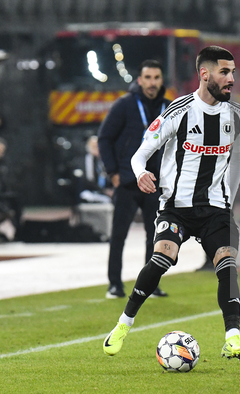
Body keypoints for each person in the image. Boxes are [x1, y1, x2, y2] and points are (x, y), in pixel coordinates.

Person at [103, 46, 240, 360]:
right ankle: (123, 325)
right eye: (225, 72)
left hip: (215, 208)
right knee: (162, 259)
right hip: (176, 207)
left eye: (233, 73)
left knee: (227, 263)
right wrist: (141, 172)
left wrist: (229, 204)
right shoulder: (177, 111)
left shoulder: (237, 118)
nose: (231, 79)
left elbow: (237, 163)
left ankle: (233, 337)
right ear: (204, 74)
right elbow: (139, 154)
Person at [98, 60, 170, 299]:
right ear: (139, 80)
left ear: (162, 80)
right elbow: (104, 138)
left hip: (157, 184)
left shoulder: (169, 109)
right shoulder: (125, 105)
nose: (152, 83)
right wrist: (113, 173)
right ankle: (115, 284)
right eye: (147, 77)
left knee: (157, 237)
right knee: (119, 235)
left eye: (156, 78)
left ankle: (151, 285)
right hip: (128, 182)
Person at [77, 136, 112, 204]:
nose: (97, 148)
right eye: (94, 146)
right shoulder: (84, 161)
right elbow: (87, 180)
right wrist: (103, 191)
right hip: (90, 191)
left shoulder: (104, 160)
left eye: (98, 146)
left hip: (106, 191)